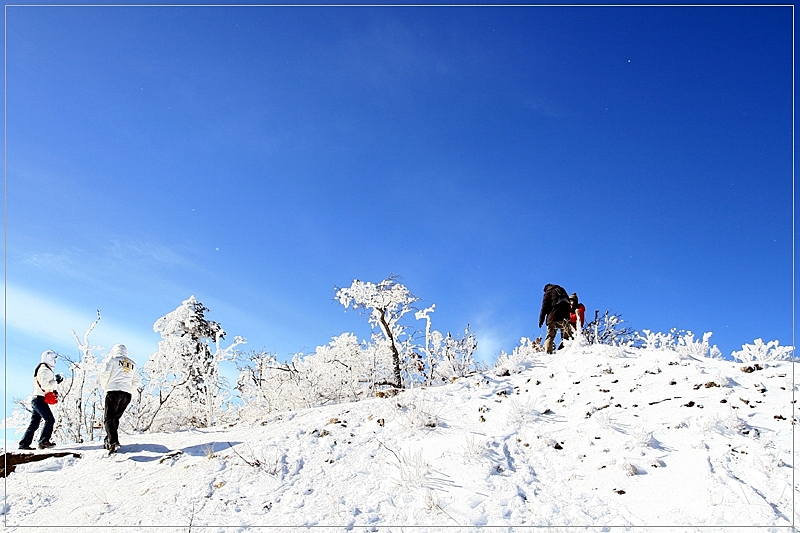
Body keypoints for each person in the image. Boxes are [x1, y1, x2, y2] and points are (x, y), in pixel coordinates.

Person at [97, 344, 140, 454]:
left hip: (113, 391)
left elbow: (104, 373)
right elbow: (136, 381)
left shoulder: (113, 359)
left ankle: (113, 442)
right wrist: (129, 390)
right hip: (127, 394)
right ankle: (109, 440)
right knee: (115, 418)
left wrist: (106, 386)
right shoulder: (132, 364)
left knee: (108, 418)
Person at [19, 350, 63, 450]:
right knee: (50, 420)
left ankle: (24, 444)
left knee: (34, 423)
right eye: (53, 358)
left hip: (37, 399)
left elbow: (45, 386)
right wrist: (55, 382)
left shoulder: (43, 369)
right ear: (48, 358)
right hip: (39, 399)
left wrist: (54, 386)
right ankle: (43, 441)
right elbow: (45, 385)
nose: (55, 361)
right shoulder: (44, 370)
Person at [538, 284, 572, 354]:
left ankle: (548, 353)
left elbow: (544, 307)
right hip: (564, 318)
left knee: (550, 336)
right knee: (566, 337)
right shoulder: (562, 290)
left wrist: (541, 320)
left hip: (552, 318)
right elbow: (568, 304)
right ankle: (566, 352)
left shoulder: (548, 292)